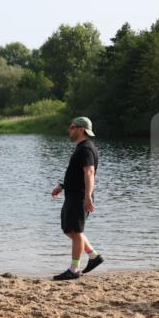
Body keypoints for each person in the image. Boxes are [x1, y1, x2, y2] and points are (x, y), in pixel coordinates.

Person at [51, 117, 104, 280]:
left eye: (72, 127)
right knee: (70, 230)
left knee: (76, 231)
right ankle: (93, 256)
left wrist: (88, 196)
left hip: (80, 196)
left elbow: (89, 172)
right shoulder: (81, 148)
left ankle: (74, 269)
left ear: (81, 129)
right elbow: (76, 173)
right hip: (73, 194)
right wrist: (62, 185)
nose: (69, 130)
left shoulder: (86, 148)